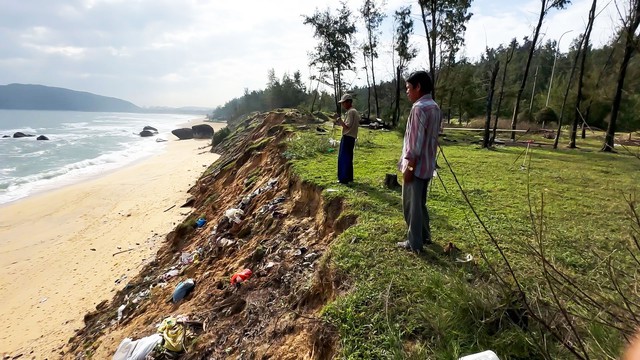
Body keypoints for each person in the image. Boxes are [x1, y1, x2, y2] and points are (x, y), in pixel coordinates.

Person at [397, 71, 441, 253]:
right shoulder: (435, 107)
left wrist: (409, 168)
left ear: (418, 87)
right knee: (420, 203)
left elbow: (414, 144)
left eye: (409, 87)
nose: (407, 91)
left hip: (416, 166)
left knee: (411, 205)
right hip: (428, 165)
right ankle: (425, 235)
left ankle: (414, 243)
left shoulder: (418, 108)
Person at [335, 93, 360, 184]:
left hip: (347, 137)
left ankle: (343, 179)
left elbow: (347, 126)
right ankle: (349, 178)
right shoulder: (355, 111)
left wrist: (340, 121)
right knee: (349, 158)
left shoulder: (350, 112)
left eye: (344, 103)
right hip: (352, 137)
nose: (343, 105)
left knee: (343, 158)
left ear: (349, 102)